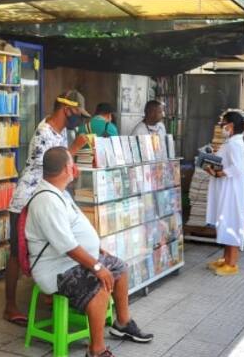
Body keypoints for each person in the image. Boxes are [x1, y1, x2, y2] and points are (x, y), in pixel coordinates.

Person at [26, 147, 152, 356]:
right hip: (56, 270)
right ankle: (96, 350)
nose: (75, 168)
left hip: (71, 261)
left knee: (119, 267)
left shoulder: (59, 192)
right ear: (68, 168)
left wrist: (97, 249)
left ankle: (122, 324)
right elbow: (66, 245)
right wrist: (96, 266)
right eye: (73, 164)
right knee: (100, 283)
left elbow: (73, 229)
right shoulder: (46, 201)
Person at [3, 90, 90, 325]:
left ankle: (48, 292)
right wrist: (75, 148)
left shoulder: (60, 131)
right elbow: (50, 167)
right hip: (27, 201)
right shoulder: (44, 132)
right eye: (77, 114)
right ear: (67, 109)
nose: (79, 120)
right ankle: (10, 306)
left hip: (46, 200)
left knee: (50, 246)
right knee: (16, 254)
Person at [205, 111, 244, 276]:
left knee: (232, 224)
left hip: (233, 192)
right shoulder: (230, 142)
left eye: (223, 124)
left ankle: (232, 263)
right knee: (225, 223)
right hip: (226, 189)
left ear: (230, 126)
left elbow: (237, 168)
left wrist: (219, 173)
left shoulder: (235, 144)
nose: (221, 127)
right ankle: (225, 258)